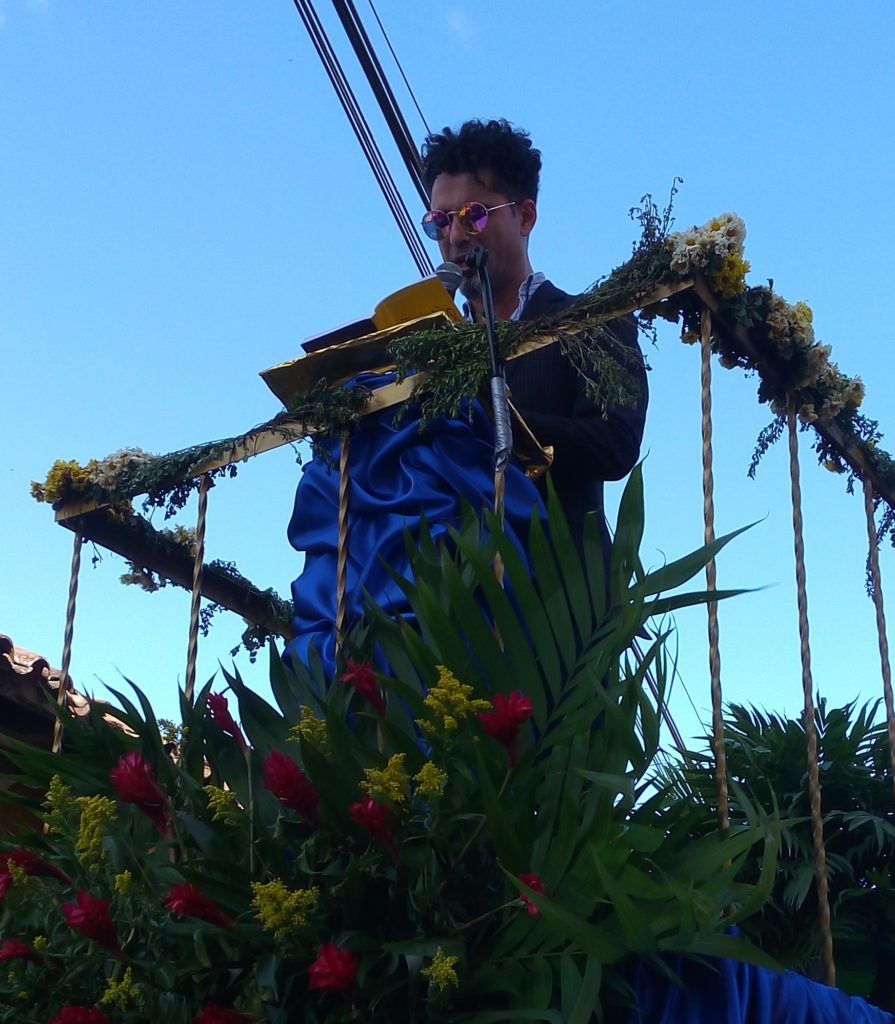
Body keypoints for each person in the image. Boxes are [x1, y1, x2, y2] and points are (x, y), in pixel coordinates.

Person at [420, 118, 649, 560]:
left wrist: (490, 417)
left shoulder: (590, 321)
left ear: (524, 216)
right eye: (441, 220)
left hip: (556, 602)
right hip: (445, 606)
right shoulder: (432, 351)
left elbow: (614, 443)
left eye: (473, 215)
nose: (454, 237)